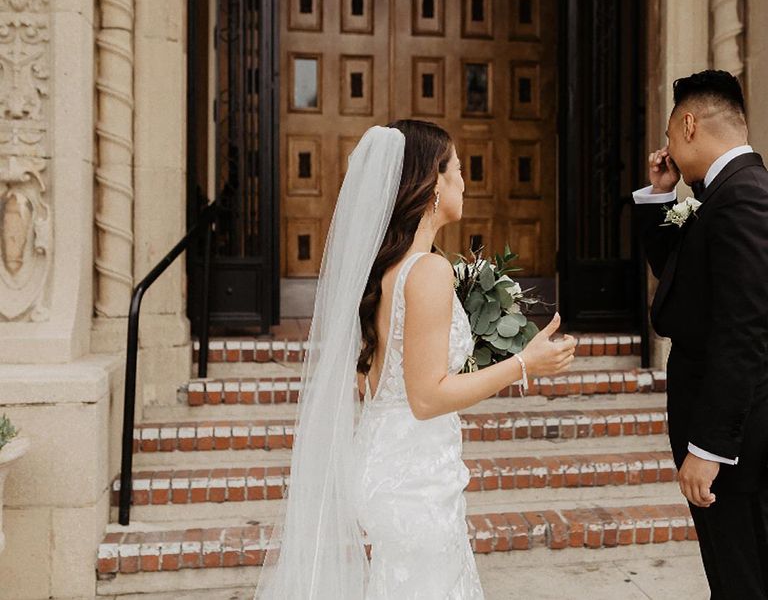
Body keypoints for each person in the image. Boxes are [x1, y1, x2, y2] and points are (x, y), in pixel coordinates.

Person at [254, 119, 576, 598]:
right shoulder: (427, 271)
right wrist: (525, 363)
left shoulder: (388, 269)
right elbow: (426, 398)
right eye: (458, 171)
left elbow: (373, 381)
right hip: (413, 481)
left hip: (395, 462)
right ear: (432, 184)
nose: (465, 182)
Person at [633, 70, 768, 598]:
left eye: (669, 135)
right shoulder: (726, 194)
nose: (666, 148)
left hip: (736, 445)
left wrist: (708, 448)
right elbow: (684, 284)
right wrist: (661, 197)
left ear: (688, 124)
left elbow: (744, 331)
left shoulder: (743, 198)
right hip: (728, 434)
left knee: (743, 579)